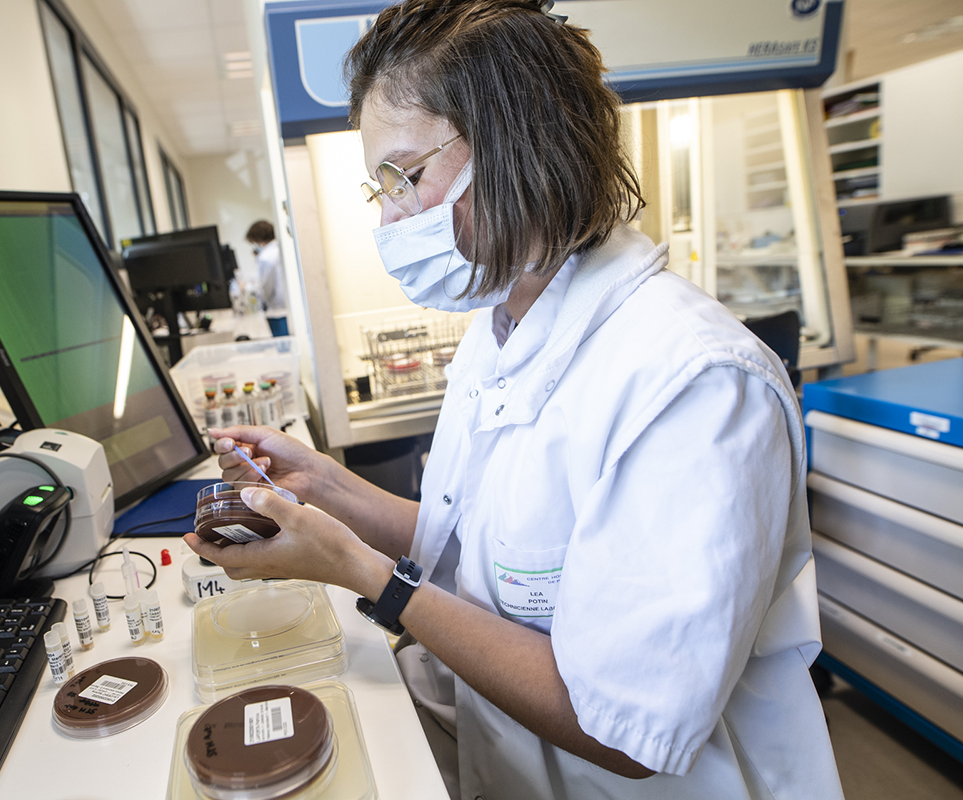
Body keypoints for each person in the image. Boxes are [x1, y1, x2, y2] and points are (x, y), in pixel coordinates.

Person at [186, 2, 844, 798]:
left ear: (515, 144)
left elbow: (622, 728)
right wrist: (326, 488)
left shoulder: (696, 385)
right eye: (379, 188)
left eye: (404, 177)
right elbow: (477, 553)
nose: (391, 217)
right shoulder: (499, 330)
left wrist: (362, 573)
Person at [245, 220, 289, 337]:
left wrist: (254, 292)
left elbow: (266, 287)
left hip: (276, 309)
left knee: (283, 346)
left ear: (258, 239)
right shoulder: (279, 249)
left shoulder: (265, 257)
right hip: (284, 306)